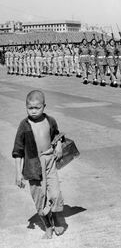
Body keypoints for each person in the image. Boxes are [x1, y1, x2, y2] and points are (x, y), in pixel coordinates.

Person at [12, 90, 66, 239]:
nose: (34, 111)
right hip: (33, 166)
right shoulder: (24, 126)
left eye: (37, 107)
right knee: (39, 199)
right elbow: (18, 151)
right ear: (26, 107)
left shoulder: (50, 120)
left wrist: (59, 144)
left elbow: (57, 134)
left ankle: (56, 217)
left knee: (55, 194)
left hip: (50, 161)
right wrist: (18, 174)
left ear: (44, 106)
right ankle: (48, 226)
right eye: (30, 108)